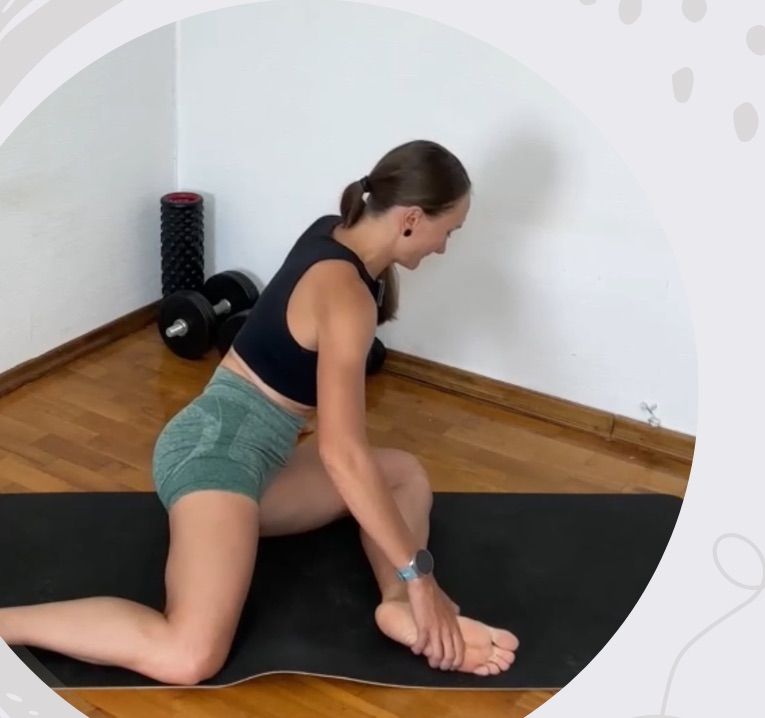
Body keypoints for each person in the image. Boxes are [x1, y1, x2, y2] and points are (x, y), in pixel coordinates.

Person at [0, 140, 519, 685]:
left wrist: (409, 587)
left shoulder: (334, 231)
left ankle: (396, 604)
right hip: (213, 455)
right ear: (411, 219)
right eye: (448, 231)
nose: (444, 247)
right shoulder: (347, 297)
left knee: (404, 475)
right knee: (188, 656)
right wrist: (423, 578)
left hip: (260, 458)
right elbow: (341, 454)